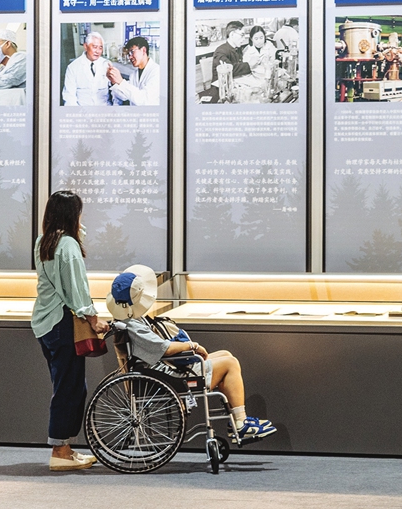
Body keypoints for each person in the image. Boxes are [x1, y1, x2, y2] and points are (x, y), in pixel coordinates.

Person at [106, 265, 276, 444]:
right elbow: (165, 348)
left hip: (157, 368)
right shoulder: (135, 325)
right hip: (166, 375)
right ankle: (240, 424)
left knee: (225, 354)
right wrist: (192, 346)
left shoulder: (126, 319)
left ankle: (236, 422)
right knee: (230, 364)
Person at [31, 190, 107, 471]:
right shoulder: (69, 247)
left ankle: (64, 447)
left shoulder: (44, 242)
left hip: (44, 323)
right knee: (70, 388)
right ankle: (60, 451)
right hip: (63, 323)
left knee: (66, 385)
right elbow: (77, 291)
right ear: (72, 215)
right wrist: (94, 319)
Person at [61, 32, 112, 106]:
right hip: (82, 111)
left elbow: (115, 93)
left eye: (100, 48)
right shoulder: (73, 67)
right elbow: (69, 97)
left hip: (104, 110)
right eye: (94, 47)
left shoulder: (107, 64)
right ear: (85, 46)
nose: (97, 51)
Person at [108, 36, 160, 106]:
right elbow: (125, 96)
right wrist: (114, 82)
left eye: (132, 52)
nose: (130, 57)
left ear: (143, 50)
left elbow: (145, 100)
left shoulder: (157, 72)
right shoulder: (134, 74)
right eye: (129, 54)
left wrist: (121, 81)